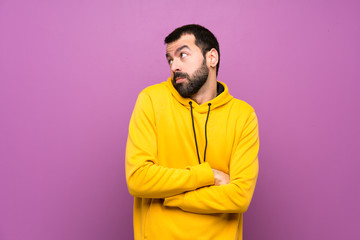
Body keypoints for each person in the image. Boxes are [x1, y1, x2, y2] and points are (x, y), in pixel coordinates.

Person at [125, 24, 259, 240]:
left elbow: (240, 197)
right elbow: (138, 178)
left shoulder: (243, 115)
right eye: (170, 59)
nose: (174, 65)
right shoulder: (151, 100)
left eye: (183, 55)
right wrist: (207, 176)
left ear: (211, 58)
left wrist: (170, 197)